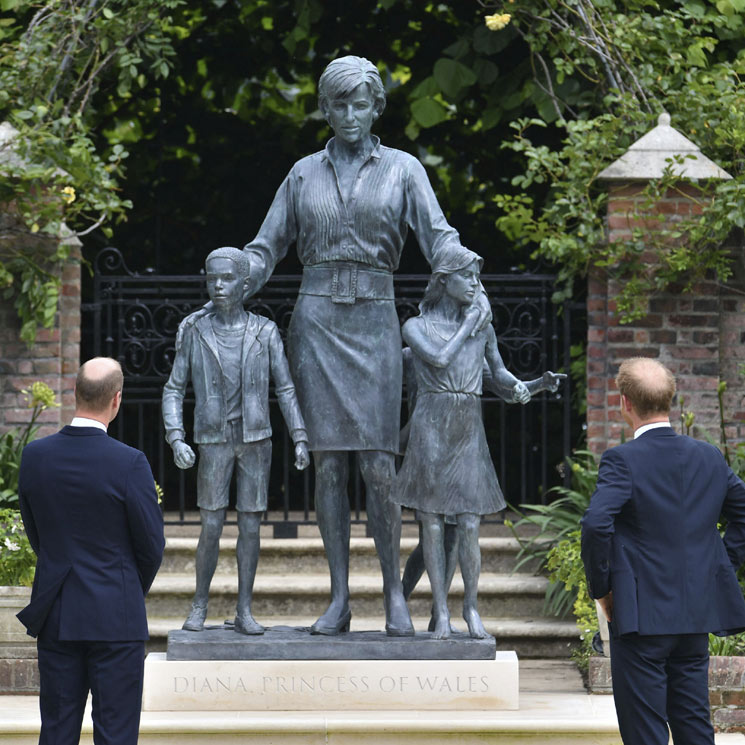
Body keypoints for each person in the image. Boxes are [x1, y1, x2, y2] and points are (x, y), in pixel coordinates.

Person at [178, 55, 491, 636]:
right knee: (327, 467)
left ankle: (394, 594)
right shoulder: (302, 174)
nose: (350, 114)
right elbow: (266, 247)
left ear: (377, 108)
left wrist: (469, 276)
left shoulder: (403, 169)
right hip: (317, 324)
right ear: (325, 108)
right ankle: (340, 596)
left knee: (377, 464)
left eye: (360, 103)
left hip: (374, 322)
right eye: (338, 104)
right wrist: (232, 273)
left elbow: (438, 236)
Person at [581, 357, 745, 745]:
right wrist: (718, 565)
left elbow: (595, 523)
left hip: (641, 620)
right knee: (694, 726)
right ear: (671, 399)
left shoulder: (622, 460)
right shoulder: (708, 456)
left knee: (645, 734)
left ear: (625, 403)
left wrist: (602, 590)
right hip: (693, 617)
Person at [16, 357, 165, 745]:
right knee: (116, 735)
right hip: (116, 615)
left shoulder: (35, 457)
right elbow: (151, 546)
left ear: (75, 393)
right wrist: (125, 587)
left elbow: (37, 534)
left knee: (57, 732)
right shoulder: (130, 462)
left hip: (58, 612)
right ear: (116, 400)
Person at [163, 247, 309, 635]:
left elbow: (287, 388)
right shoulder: (195, 331)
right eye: (212, 278)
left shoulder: (264, 331)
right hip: (213, 440)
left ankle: (245, 609)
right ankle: (200, 603)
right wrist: (176, 437)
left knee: (250, 527)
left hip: (256, 440)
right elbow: (174, 389)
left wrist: (299, 436)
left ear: (245, 284)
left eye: (227, 279)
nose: (219, 286)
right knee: (210, 525)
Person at [391, 248, 532, 639]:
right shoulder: (416, 327)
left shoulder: (482, 328)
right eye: (466, 277)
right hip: (431, 424)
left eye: (476, 277)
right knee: (432, 523)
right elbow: (438, 359)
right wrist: (470, 322)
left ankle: (470, 606)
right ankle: (440, 611)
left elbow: (499, 374)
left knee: (469, 522)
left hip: (467, 424)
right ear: (443, 282)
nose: (474, 283)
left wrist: (524, 386)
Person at [399, 346, 565, 631]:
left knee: (452, 533)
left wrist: (539, 384)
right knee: (431, 536)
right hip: (427, 447)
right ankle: (401, 600)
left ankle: (437, 614)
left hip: (460, 448)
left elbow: (506, 388)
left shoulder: (470, 354)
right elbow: (384, 391)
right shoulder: (412, 352)